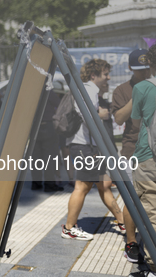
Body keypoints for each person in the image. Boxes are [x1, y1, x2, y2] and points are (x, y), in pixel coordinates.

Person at [61, 59, 124, 241]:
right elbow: (85, 115)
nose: (108, 78)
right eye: (105, 74)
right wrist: (101, 114)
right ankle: (69, 227)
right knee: (82, 186)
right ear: (93, 75)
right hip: (83, 146)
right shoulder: (88, 89)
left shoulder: (89, 90)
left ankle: (121, 220)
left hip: (88, 146)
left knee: (103, 185)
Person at [113, 49, 152, 263]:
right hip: (131, 151)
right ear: (130, 68)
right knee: (133, 199)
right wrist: (137, 94)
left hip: (152, 151)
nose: (143, 72)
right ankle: (131, 242)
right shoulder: (122, 90)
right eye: (139, 70)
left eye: (146, 68)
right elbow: (118, 118)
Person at [130, 45, 156, 276]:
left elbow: (137, 123)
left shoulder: (142, 88)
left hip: (148, 157)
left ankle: (153, 263)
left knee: (150, 209)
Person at [30, 90, 64, 192]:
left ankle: (36, 183)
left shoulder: (30, 92)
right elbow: (60, 105)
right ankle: (49, 185)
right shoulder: (47, 91)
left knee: (35, 157)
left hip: (33, 126)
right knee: (49, 157)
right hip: (47, 126)